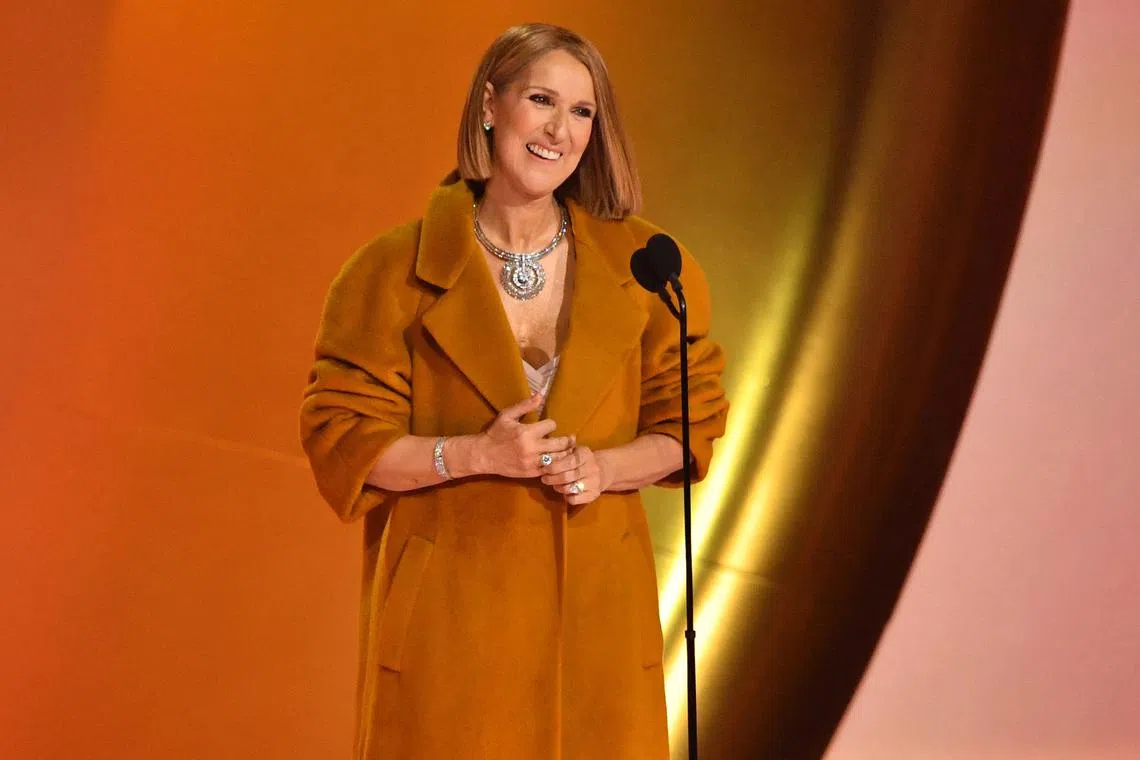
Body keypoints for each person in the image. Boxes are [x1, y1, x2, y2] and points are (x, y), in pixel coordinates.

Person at [299, 22, 728, 760]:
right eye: (541, 100)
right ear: (491, 105)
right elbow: (347, 444)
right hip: (450, 637)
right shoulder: (388, 273)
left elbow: (689, 424)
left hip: (600, 633)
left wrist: (603, 468)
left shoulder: (652, 269)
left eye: (582, 112)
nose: (560, 130)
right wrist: (474, 453)